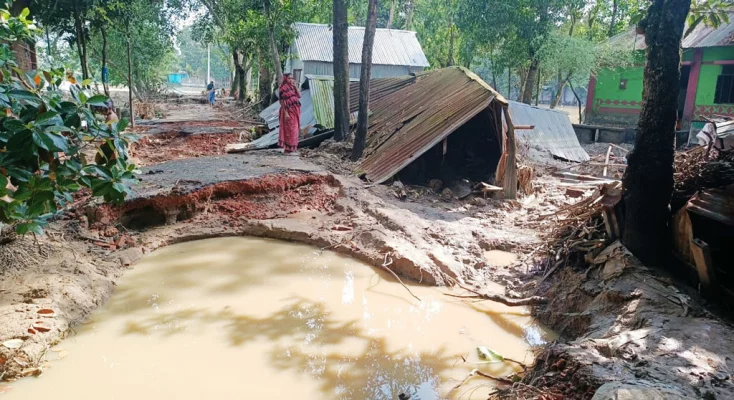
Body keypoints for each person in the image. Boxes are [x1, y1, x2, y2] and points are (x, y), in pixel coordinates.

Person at [278, 73, 301, 155]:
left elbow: (299, 95)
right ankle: (287, 148)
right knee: (288, 130)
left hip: (295, 111)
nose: (291, 80)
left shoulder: (293, 88)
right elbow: (282, 102)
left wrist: (295, 86)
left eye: (292, 78)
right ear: (285, 79)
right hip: (287, 111)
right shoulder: (282, 89)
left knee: (295, 129)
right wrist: (286, 113)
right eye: (289, 78)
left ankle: (293, 148)